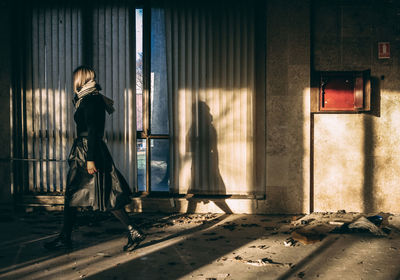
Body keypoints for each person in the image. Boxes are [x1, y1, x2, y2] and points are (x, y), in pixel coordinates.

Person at [44, 65, 145, 251]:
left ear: (81, 78)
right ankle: (132, 230)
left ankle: (66, 238)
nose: (73, 81)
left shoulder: (90, 100)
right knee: (98, 193)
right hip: (91, 149)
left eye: (75, 77)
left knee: (80, 193)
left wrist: (89, 159)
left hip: (87, 150)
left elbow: (91, 130)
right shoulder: (91, 98)